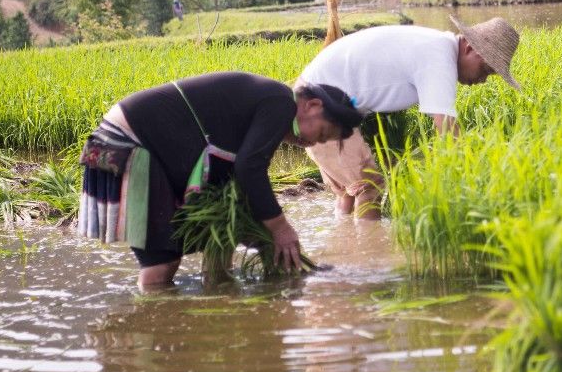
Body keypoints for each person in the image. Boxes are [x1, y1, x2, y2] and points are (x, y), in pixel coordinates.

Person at [78, 72, 362, 289]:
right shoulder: (281, 103)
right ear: (312, 105)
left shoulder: (265, 108)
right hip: (128, 143)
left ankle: (202, 293)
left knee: (183, 249)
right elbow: (249, 167)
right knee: (162, 262)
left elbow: (234, 182)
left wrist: (255, 236)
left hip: (137, 146)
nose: (311, 143)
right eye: (322, 133)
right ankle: (150, 332)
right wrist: (280, 228)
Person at [297, 17, 521, 220]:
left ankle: (345, 249)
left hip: (312, 99)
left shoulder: (436, 45)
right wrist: (478, 182)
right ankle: (368, 260)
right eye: (485, 70)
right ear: (471, 48)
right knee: (369, 188)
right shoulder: (440, 57)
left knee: (350, 193)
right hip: (317, 109)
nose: (483, 80)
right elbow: (447, 130)